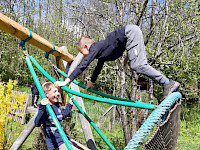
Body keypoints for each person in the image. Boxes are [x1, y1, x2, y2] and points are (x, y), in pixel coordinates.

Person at [55, 25, 180, 101]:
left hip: (130, 33)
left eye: (82, 52)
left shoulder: (95, 48)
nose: (83, 56)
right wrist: (92, 82)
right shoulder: (100, 52)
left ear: (86, 47)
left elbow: (84, 65)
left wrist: (67, 80)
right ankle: (167, 84)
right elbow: (98, 67)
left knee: (138, 65)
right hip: (130, 35)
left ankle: (167, 83)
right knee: (136, 65)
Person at [34, 82, 78, 150]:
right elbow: (37, 123)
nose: (58, 93)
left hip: (64, 138)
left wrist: (69, 105)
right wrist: (42, 107)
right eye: (54, 91)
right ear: (46, 94)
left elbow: (62, 116)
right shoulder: (46, 108)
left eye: (58, 91)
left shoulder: (56, 105)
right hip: (56, 143)